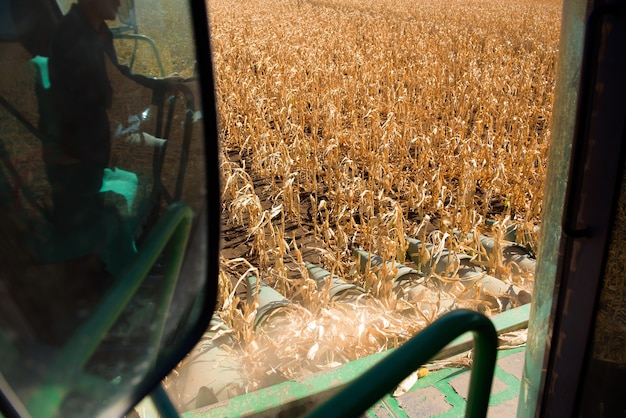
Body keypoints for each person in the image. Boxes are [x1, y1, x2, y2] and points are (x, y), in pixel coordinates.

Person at [45, 0, 183, 276]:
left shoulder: (96, 31)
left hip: (94, 146)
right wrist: (148, 96)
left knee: (154, 163)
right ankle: (124, 279)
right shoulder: (72, 37)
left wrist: (159, 85)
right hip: (77, 159)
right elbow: (108, 92)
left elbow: (118, 78)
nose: (120, 2)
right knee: (117, 210)